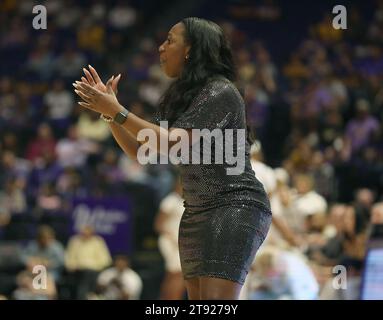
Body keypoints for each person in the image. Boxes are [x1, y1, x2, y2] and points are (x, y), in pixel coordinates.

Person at [73, 17, 272, 300]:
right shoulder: (182, 97)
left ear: (191, 49)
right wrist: (109, 114)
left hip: (233, 205)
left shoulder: (220, 91)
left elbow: (170, 142)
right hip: (194, 212)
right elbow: (140, 150)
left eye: (169, 40)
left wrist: (118, 111)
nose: (160, 47)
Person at [154, 175, 185, 300]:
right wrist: (173, 239)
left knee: (176, 275)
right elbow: (158, 225)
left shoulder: (182, 201)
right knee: (177, 273)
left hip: (180, 243)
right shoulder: (170, 200)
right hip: (170, 242)